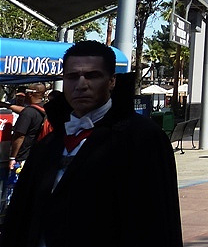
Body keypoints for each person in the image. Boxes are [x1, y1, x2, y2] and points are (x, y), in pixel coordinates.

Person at [3, 40, 183, 246]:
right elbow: (22, 216)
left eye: (92, 75)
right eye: (72, 77)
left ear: (112, 81)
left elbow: (158, 220)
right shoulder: (50, 143)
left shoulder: (142, 138)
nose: (81, 85)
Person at [6, 83, 49, 172]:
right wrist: (5, 105)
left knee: (15, 184)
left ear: (30, 94)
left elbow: (20, 136)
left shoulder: (28, 113)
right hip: (37, 155)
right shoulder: (45, 110)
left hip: (22, 158)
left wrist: (12, 157)